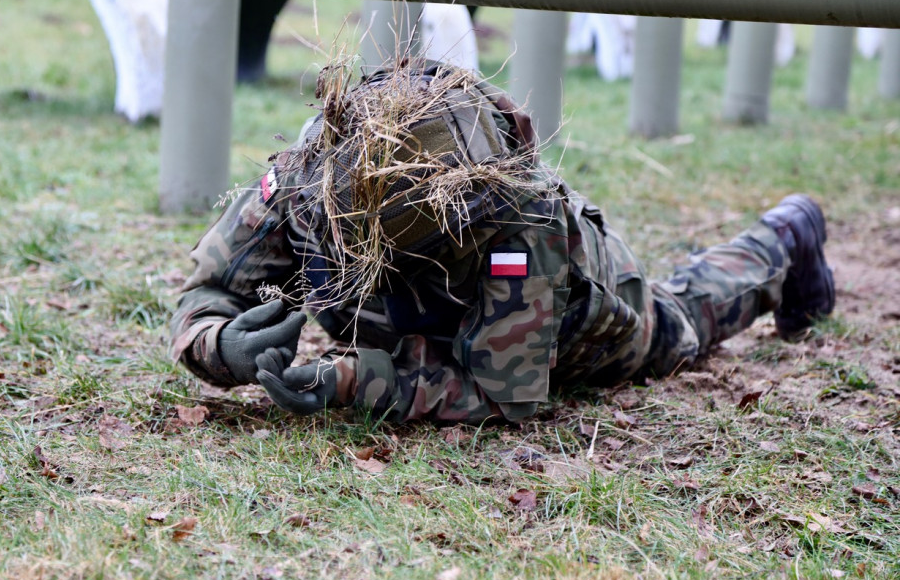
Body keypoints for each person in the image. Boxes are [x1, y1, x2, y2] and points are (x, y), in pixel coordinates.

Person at [169, 59, 835, 424]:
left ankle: (783, 240)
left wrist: (353, 382)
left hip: (581, 324)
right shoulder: (303, 176)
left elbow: (500, 392)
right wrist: (219, 345)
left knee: (682, 322)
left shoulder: (524, 223)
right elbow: (204, 290)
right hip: (426, 327)